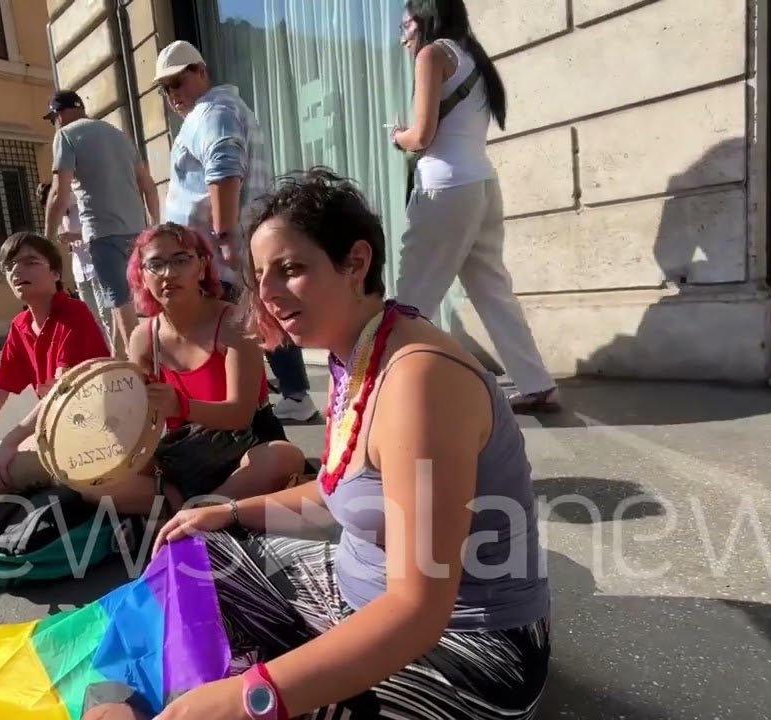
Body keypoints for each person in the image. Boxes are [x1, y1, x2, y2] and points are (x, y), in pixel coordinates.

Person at [127, 169, 551, 720]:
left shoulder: (419, 378)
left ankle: (231, 678)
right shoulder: (353, 353)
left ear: (355, 263)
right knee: (197, 554)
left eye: (292, 269)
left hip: (465, 647)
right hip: (352, 598)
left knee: (246, 701)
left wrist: (252, 698)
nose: (270, 294)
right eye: (260, 276)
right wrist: (228, 510)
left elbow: (419, 611)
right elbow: (336, 493)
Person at [390, 0, 560, 413]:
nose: (403, 35)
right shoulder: (473, 57)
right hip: (481, 182)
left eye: (406, 24)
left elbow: (423, 135)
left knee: (415, 290)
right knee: (492, 289)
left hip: (445, 188)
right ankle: (536, 383)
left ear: (424, 17)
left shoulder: (434, 55)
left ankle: (394, 386)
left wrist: (398, 136)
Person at [72, 222, 305, 520]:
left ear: (202, 266)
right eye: (155, 264)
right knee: (95, 483)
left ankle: (199, 510)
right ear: (141, 275)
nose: (169, 273)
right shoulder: (144, 338)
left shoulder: (234, 322)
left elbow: (240, 414)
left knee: (283, 457)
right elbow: (146, 422)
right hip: (183, 452)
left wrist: (180, 405)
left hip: (246, 446)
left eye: (181, 260)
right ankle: (195, 507)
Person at [152, 40, 320, 425]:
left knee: (232, 333)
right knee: (254, 322)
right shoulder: (220, 110)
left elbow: (224, 169)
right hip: (218, 246)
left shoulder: (214, 111)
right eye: (166, 88)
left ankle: (245, 415)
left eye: (179, 81)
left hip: (213, 249)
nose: (173, 94)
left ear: (201, 71)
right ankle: (286, 398)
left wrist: (225, 238)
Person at [0, 232, 110, 502]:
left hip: (84, 438)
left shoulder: (74, 313)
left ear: (56, 274)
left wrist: (12, 442)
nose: (17, 270)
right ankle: (17, 483)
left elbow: (60, 392)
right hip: (48, 435)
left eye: (30, 262)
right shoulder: (21, 325)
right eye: (10, 265)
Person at [44, 90, 159, 359]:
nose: (55, 123)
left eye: (54, 118)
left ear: (60, 114)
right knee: (123, 304)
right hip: (136, 231)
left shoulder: (66, 136)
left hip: (102, 232)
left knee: (120, 303)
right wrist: (154, 225)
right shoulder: (119, 135)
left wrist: (47, 237)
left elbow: (59, 193)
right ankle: (119, 364)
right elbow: (148, 185)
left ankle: (140, 373)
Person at [38, 181, 114, 349]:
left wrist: (73, 235)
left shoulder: (81, 204)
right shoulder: (62, 216)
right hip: (80, 269)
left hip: (96, 266)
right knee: (92, 317)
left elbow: (98, 231)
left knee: (106, 314)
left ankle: (118, 352)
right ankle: (105, 351)